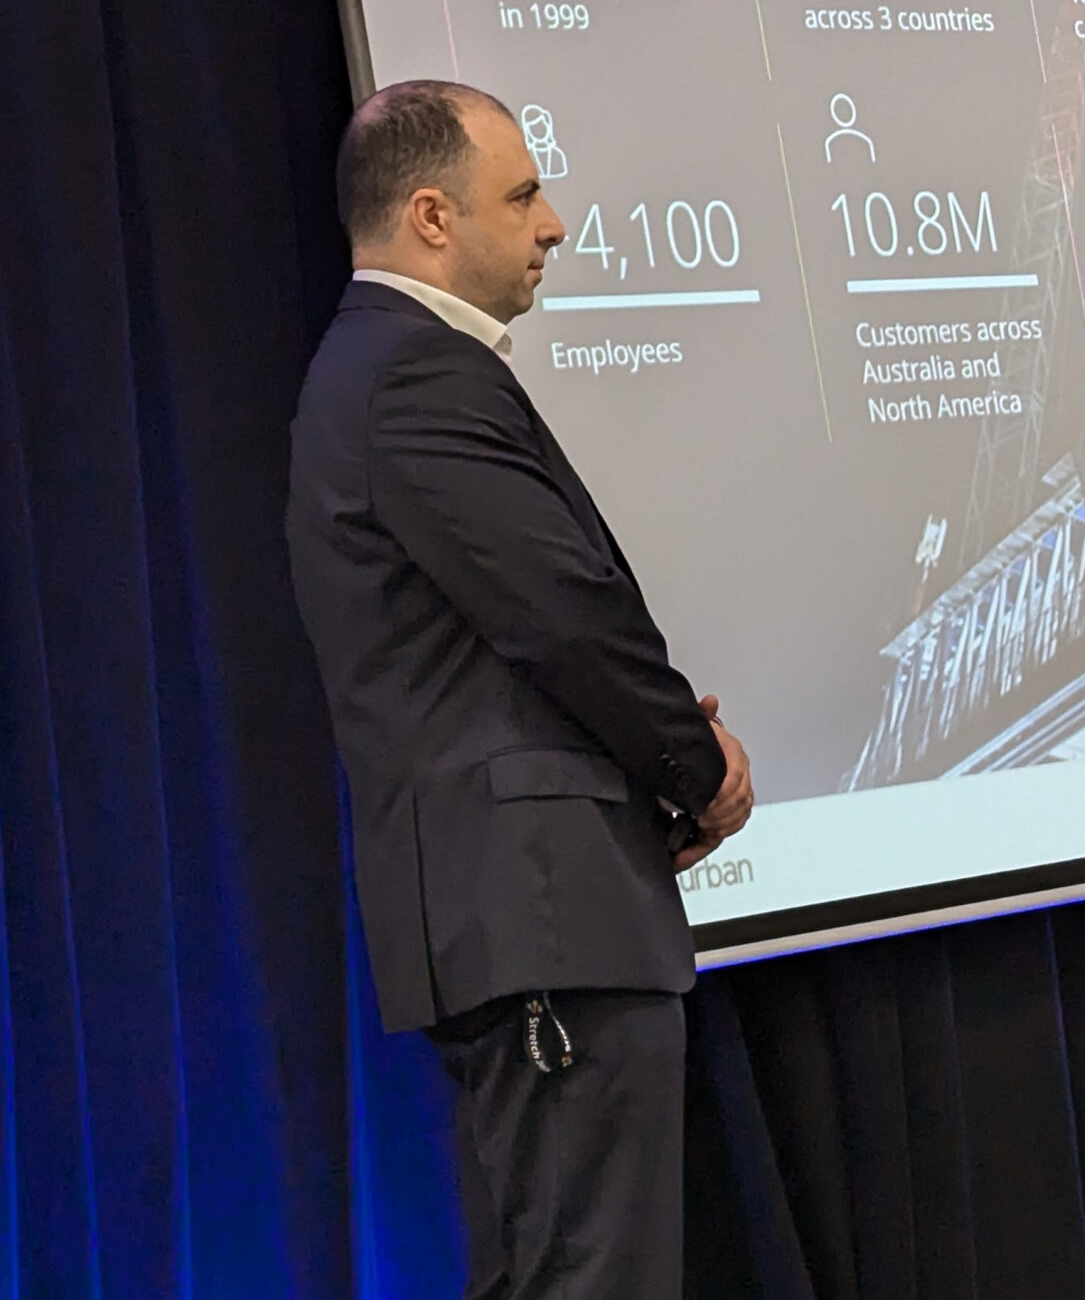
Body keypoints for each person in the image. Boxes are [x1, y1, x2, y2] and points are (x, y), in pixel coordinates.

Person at [287, 78, 752, 1299]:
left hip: (536, 914)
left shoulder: (385, 369)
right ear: (432, 217)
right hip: (543, 914)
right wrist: (695, 765)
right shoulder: (409, 374)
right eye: (524, 193)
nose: (554, 224)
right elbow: (563, 614)